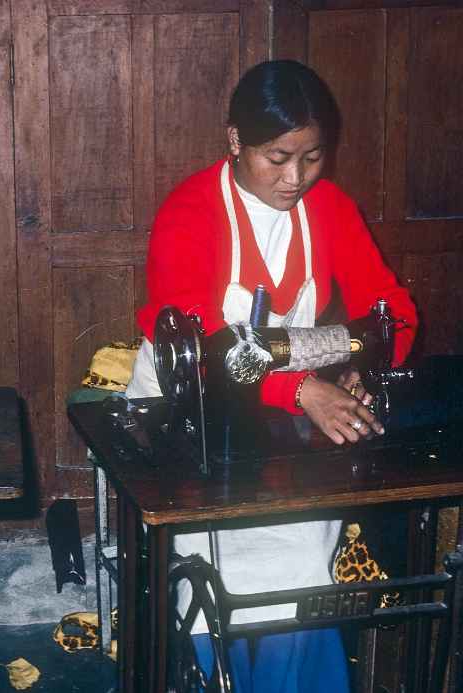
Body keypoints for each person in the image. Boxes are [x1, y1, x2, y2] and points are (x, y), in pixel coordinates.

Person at [126, 60, 417, 691]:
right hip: (187, 416)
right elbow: (207, 345)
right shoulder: (190, 212)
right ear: (236, 141)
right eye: (277, 157)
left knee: (303, 561)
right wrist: (304, 388)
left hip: (285, 424)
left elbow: (390, 306)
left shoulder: (330, 209)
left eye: (312, 158)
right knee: (206, 570)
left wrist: (365, 368)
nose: (294, 178)